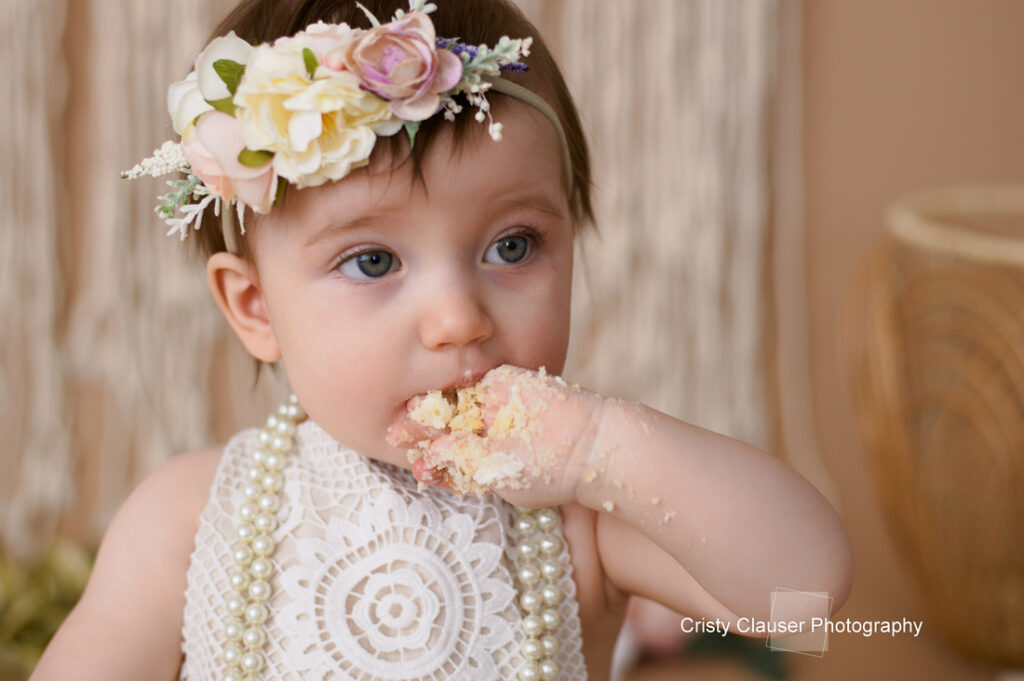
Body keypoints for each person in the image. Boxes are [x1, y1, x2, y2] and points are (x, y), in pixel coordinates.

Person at [30, 0, 854, 679]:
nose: (459, 317)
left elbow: (806, 594)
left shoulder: (578, 517)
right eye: (374, 259)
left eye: (513, 246)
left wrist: (603, 445)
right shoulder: (191, 517)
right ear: (256, 310)